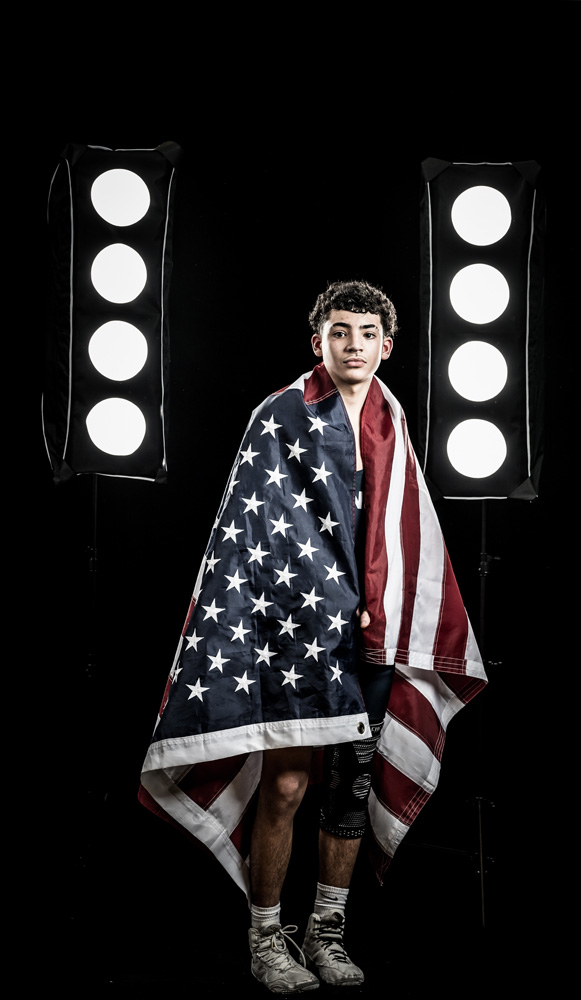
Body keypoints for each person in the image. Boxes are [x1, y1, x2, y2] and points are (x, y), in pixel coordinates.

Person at [139, 280, 487, 993]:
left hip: (371, 630)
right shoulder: (280, 414)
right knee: (288, 782)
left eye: (367, 333)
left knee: (350, 785)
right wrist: (332, 603)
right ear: (318, 342)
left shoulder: (390, 416)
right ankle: (266, 938)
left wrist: (380, 604)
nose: (353, 344)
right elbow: (261, 533)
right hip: (299, 629)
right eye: (340, 332)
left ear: (386, 346)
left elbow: (400, 529)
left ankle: (326, 932)